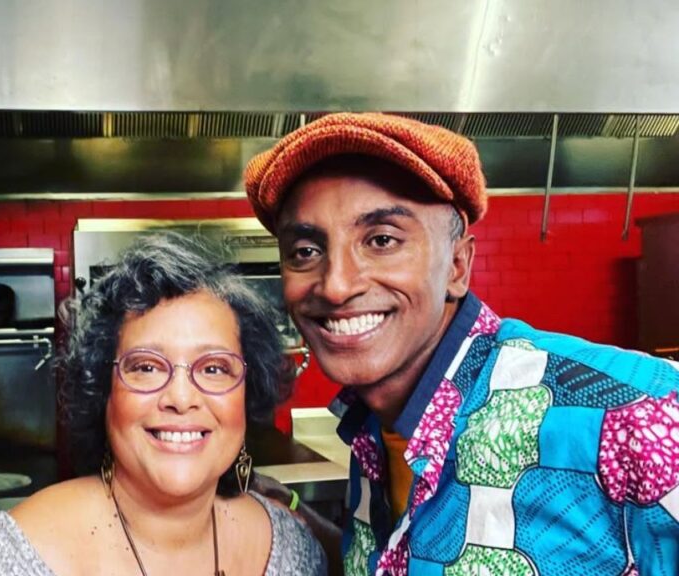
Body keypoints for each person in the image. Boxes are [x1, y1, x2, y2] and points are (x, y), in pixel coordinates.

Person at [243, 113, 679, 575]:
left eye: (382, 239)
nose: (335, 285)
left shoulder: (639, 411)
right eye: (306, 251)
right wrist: (292, 517)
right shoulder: (373, 429)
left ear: (457, 265)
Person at [0, 232, 326, 575]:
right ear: (102, 392)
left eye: (214, 368)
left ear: (248, 391)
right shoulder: (7, 563)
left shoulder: (292, 550)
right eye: (145, 367)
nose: (181, 398)